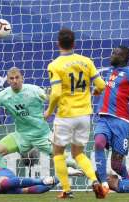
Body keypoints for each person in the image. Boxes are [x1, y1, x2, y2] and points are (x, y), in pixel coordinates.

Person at [44, 28, 106, 199]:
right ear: (74, 43)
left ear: (58, 44)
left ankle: (66, 190)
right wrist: (96, 92)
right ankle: (94, 180)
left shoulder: (54, 65)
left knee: (58, 153)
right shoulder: (86, 61)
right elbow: (101, 85)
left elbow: (56, 93)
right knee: (78, 153)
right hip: (84, 115)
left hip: (65, 115)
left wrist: (49, 111)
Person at [0, 67, 54, 168]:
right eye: (11, 78)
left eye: (17, 77)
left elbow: (48, 98)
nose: (15, 81)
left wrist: (50, 99)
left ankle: (64, 178)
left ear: (22, 78)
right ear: (8, 80)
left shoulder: (34, 90)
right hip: (21, 136)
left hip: (42, 135)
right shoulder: (3, 95)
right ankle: (6, 180)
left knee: (65, 159)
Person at [93, 45, 129, 197]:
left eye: (115, 53)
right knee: (98, 143)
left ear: (123, 57)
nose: (111, 55)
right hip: (103, 118)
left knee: (116, 165)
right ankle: (104, 185)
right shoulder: (109, 72)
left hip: (121, 122)